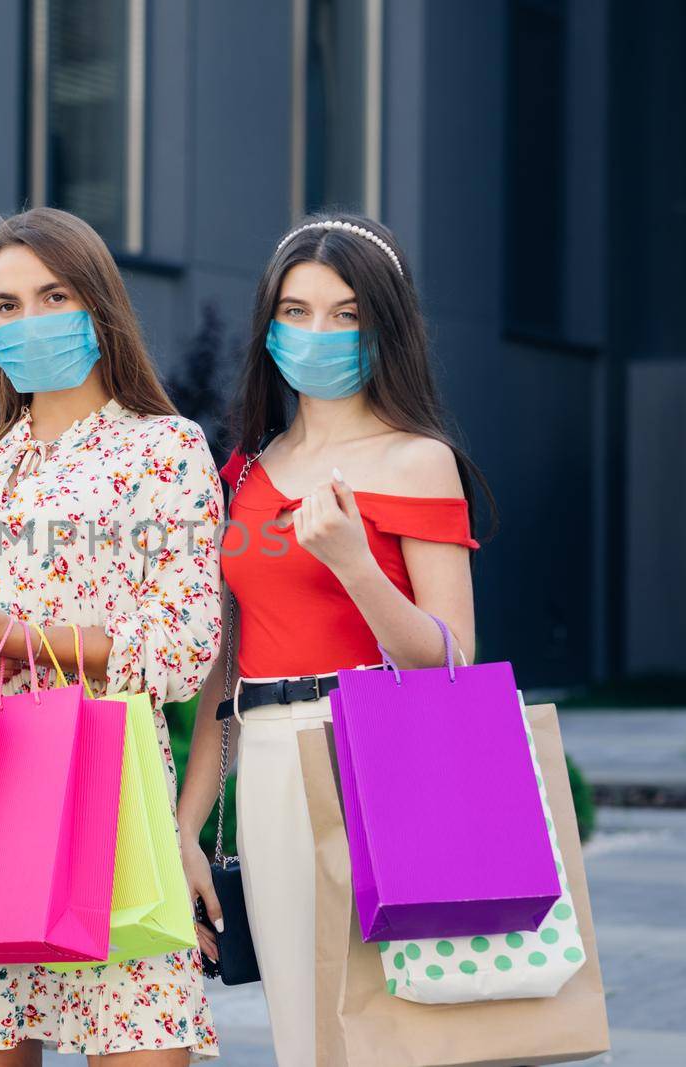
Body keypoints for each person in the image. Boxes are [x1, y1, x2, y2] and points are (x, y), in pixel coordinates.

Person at [0, 207, 223, 1064]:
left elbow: (186, 647)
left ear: (99, 306)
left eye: (52, 295)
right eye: (3, 305)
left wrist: (20, 634)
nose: (26, 320)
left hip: (113, 797)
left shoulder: (166, 449)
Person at [176, 214, 491, 1067]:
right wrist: (188, 825)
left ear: (385, 325)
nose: (318, 333)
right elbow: (223, 668)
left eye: (347, 314)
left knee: (401, 1032)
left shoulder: (418, 459)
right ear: (268, 325)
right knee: (307, 1035)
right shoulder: (247, 468)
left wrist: (356, 564)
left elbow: (453, 653)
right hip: (271, 763)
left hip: (386, 755)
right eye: (297, 310)